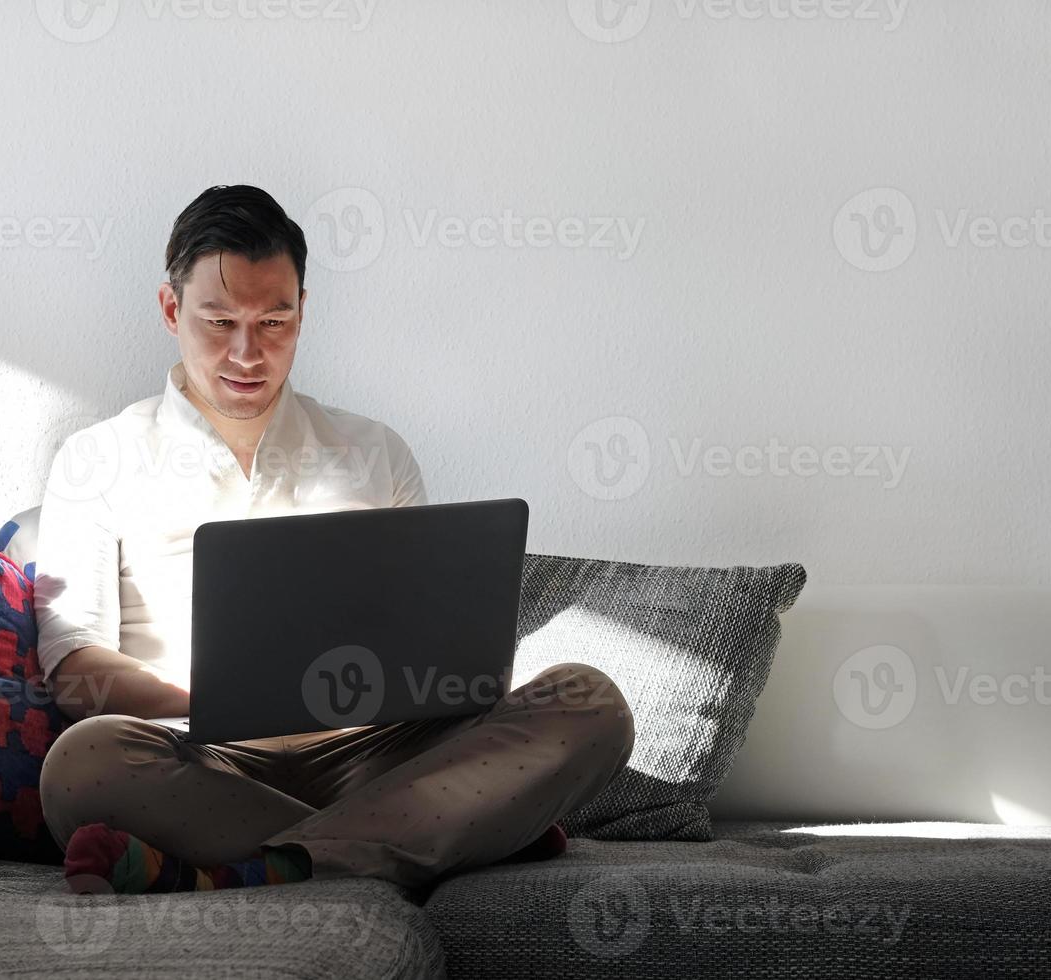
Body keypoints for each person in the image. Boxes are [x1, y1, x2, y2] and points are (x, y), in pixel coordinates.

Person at [33, 184, 634, 894]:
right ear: (172, 309)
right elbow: (74, 672)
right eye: (219, 322)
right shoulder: (96, 459)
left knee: (590, 702)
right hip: (205, 760)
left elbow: (432, 647)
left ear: (303, 312)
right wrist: (214, 695)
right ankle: (439, 839)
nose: (247, 353)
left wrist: (441, 681)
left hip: (379, 751)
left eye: (274, 322)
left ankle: (258, 867)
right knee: (81, 765)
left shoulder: (374, 452)